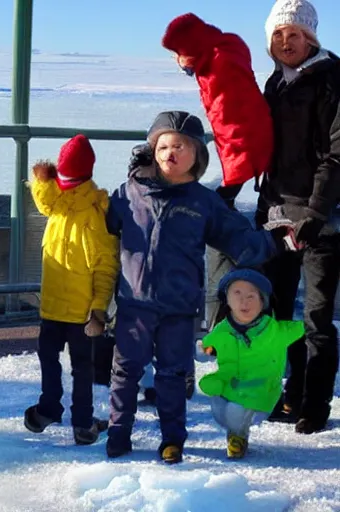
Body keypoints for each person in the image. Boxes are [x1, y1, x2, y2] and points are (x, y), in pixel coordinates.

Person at [105, 111, 298, 464]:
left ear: (198, 156)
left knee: (173, 374)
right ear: (150, 151)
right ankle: (119, 432)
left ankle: (172, 439)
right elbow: (100, 225)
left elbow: (237, 238)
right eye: (161, 145)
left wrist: (278, 242)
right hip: (134, 302)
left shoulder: (202, 202)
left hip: (179, 307)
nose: (169, 152)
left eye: (179, 145)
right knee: (126, 370)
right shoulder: (129, 192)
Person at [257, 0, 340, 434]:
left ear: (311, 39)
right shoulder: (276, 83)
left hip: (322, 218)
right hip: (275, 211)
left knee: (318, 315)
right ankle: (289, 394)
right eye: (278, 35)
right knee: (277, 311)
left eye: (294, 34)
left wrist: (315, 210)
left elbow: (337, 155)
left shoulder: (332, 81)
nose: (286, 42)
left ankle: (315, 403)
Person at [162, 13, 274, 331]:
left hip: (247, 157)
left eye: (178, 53)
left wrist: (232, 180)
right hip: (250, 154)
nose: (177, 60)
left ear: (191, 47)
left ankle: (228, 322)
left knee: (220, 224)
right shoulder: (223, 51)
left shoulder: (219, 67)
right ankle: (234, 319)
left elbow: (233, 126)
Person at [23, 135, 119, 446]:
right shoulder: (59, 205)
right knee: (56, 360)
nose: (61, 183)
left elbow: (106, 265)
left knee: (80, 367)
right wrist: (41, 179)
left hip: (79, 313)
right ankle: (56, 410)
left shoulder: (94, 214)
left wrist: (98, 310)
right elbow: (45, 198)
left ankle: (78, 420)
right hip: (56, 308)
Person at [200, 269, 304, 459]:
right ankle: (236, 432)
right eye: (237, 294)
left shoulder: (275, 331)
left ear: (262, 302)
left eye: (251, 296)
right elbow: (208, 343)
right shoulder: (223, 329)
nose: (244, 301)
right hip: (232, 387)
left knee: (235, 411)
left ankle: (238, 437)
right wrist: (207, 348)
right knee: (219, 405)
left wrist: (315, 324)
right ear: (228, 300)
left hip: (260, 390)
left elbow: (304, 327)